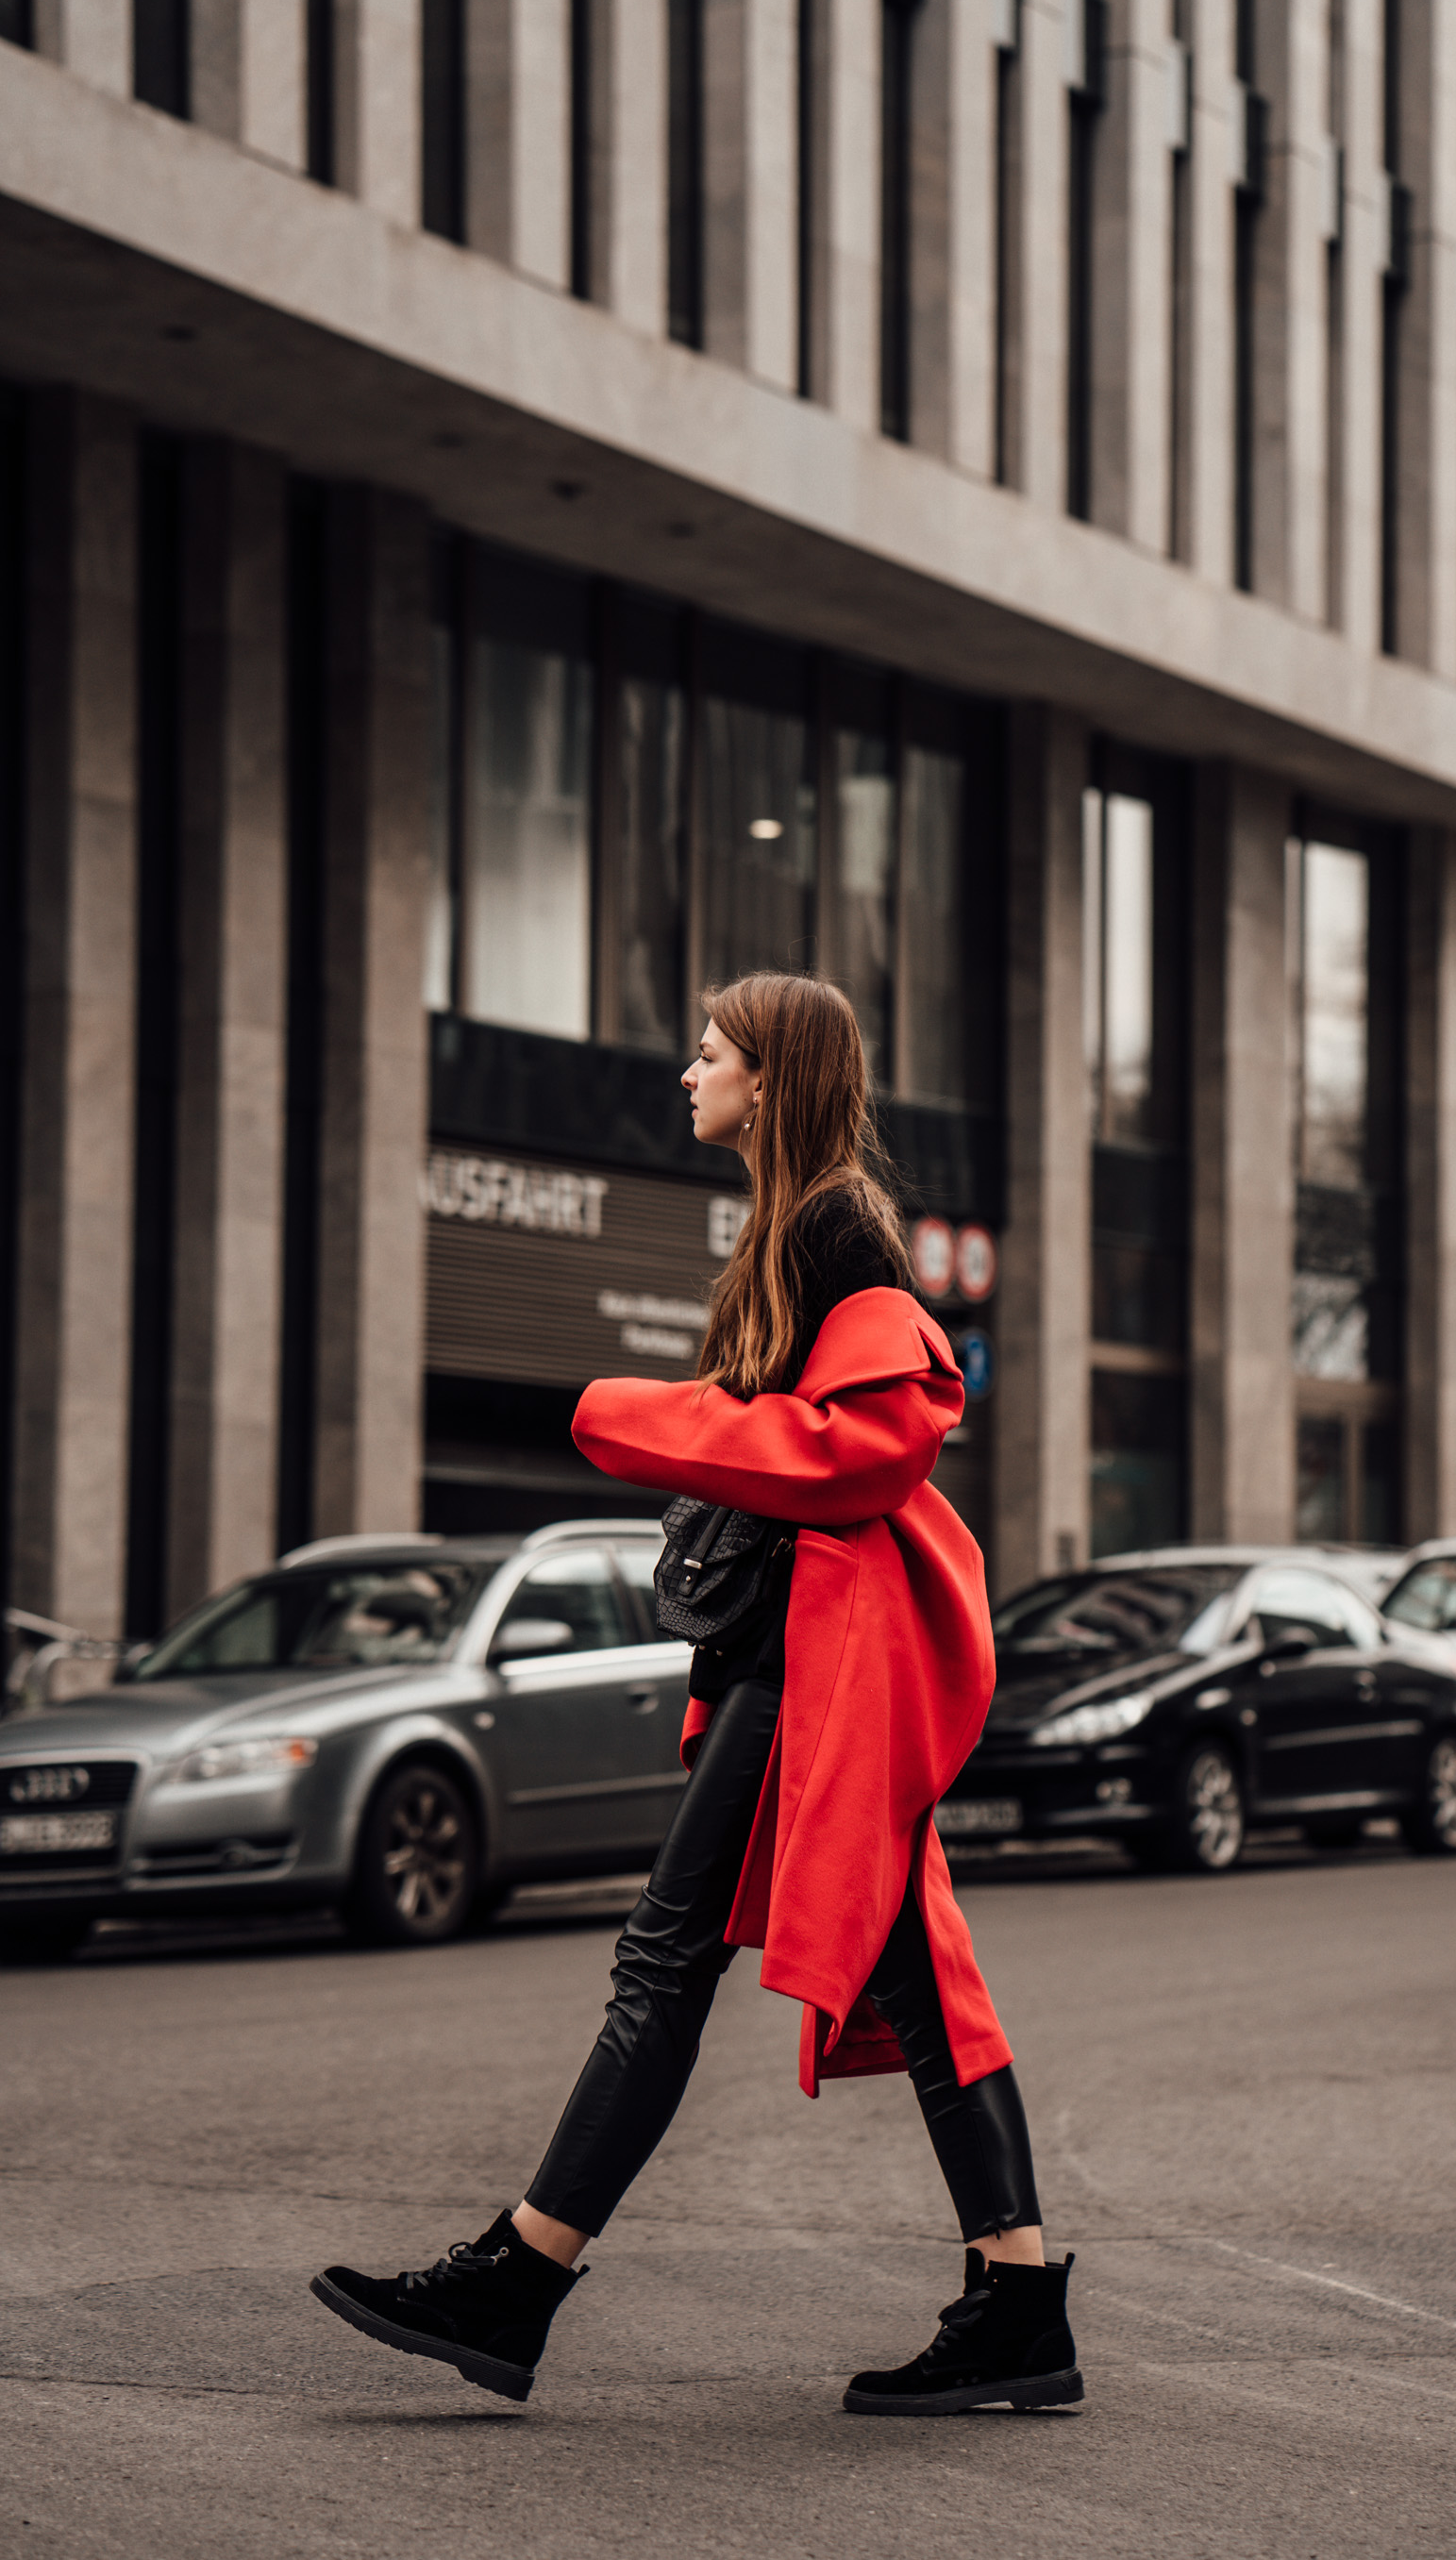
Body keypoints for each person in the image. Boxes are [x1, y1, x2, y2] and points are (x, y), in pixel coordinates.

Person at [311, 972, 1081, 2418]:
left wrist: (632, 1416)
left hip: (808, 1669)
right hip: (791, 1663)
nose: (688, 1070)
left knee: (663, 1958)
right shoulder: (790, 1226)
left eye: (713, 1050)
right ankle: (1020, 2301)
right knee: (919, 1979)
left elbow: (885, 1437)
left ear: (773, 1076)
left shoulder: (835, 1223)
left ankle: (520, 2278)